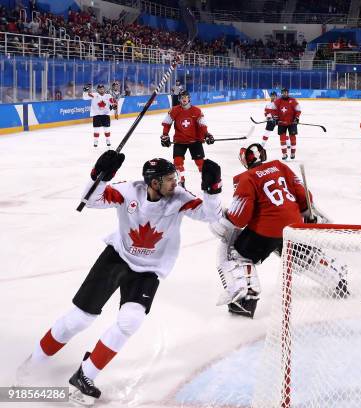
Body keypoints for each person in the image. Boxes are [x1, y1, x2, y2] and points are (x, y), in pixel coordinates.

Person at [16, 151, 223, 405]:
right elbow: (90, 199)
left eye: (175, 177)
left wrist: (213, 190)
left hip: (149, 270)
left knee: (130, 321)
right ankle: (33, 363)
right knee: (79, 319)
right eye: (169, 179)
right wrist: (99, 175)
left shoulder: (179, 198)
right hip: (117, 258)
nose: (176, 182)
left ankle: (85, 375)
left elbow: (211, 215)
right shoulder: (129, 191)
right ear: (153, 183)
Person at [209, 143, 347, 318]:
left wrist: (222, 220)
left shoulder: (246, 178)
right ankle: (336, 279)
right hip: (293, 224)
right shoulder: (280, 166)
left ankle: (245, 299)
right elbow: (305, 196)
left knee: (234, 252)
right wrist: (307, 214)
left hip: (267, 230)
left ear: (244, 161)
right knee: (300, 252)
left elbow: (239, 218)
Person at [161, 90, 215, 188]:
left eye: (186, 97)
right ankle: (181, 181)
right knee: (177, 162)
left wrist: (206, 134)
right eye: (182, 97)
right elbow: (167, 123)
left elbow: (202, 125)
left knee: (200, 163)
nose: (184, 99)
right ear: (179, 99)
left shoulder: (197, 111)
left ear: (189, 98)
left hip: (195, 141)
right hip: (179, 141)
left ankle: (206, 181)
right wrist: (165, 135)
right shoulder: (174, 110)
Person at [83, 84, 117, 149]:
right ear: (97, 89)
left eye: (102, 88)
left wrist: (114, 105)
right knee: (96, 130)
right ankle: (95, 143)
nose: (101, 90)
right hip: (96, 115)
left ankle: (108, 142)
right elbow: (85, 97)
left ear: (104, 89)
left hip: (105, 115)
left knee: (106, 130)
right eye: (99, 89)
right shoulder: (94, 95)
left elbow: (113, 102)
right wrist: (85, 91)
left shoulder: (108, 96)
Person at [273, 88, 301, 160]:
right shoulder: (277, 101)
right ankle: (284, 154)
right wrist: (276, 118)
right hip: (281, 123)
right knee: (282, 138)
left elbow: (298, 110)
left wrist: (297, 118)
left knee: (292, 138)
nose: (284, 93)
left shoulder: (293, 100)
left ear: (288, 93)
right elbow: (274, 110)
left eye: (286, 92)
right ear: (281, 93)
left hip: (292, 123)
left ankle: (292, 153)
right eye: (283, 92)